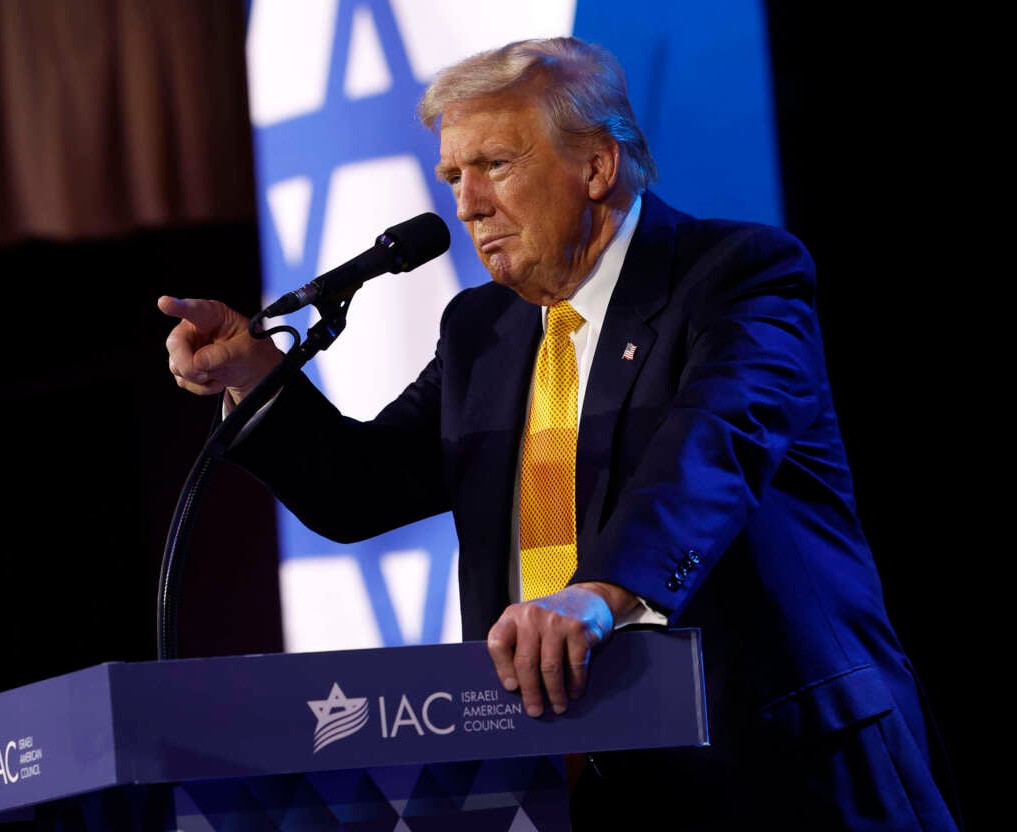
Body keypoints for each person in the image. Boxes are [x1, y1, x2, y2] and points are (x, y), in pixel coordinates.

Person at [158, 36, 961, 831]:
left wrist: (600, 590)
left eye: (495, 166)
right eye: (453, 176)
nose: (466, 204)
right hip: (577, 791)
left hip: (781, 769)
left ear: (597, 167)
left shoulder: (738, 275)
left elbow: (713, 451)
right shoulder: (484, 331)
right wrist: (255, 378)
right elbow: (360, 486)